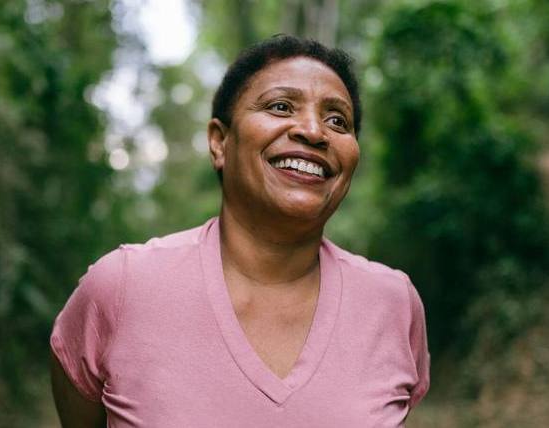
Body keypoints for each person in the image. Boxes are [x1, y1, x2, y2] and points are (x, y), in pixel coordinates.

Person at [50, 35, 430, 427]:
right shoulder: (121, 288)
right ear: (220, 142)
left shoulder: (393, 303)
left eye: (338, 121)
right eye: (281, 106)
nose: (315, 131)